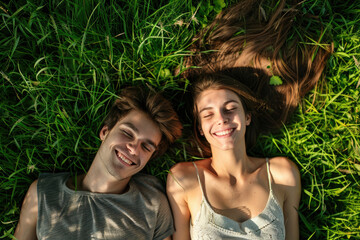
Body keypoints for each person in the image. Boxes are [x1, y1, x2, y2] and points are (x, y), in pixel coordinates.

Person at [14, 86, 182, 240]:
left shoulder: (153, 202)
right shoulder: (44, 193)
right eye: (127, 133)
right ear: (105, 132)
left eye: (146, 146)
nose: (133, 149)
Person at [167, 71, 301, 239]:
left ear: (247, 117)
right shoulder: (184, 179)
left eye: (230, 109)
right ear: (200, 128)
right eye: (208, 114)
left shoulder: (281, 174)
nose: (222, 119)